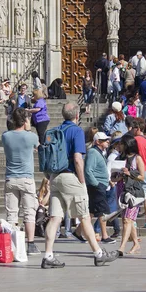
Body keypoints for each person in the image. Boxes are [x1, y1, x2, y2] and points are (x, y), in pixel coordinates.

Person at [40, 102, 119, 269]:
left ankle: (48, 255)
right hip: (70, 176)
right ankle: (98, 254)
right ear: (77, 116)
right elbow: (77, 158)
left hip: (55, 177)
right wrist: (82, 181)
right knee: (84, 217)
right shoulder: (76, 131)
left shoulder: (54, 131)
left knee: (54, 218)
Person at [1, 108, 41, 255]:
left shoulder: (5, 136)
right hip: (26, 178)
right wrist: (28, 128)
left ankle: (12, 244)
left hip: (11, 177)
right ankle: (30, 243)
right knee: (29, 212)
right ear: (25, 121)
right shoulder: (31, 136)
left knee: (12, 213)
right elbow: (37, 147)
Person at [114, 134, 144, 255]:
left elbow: (142, 177)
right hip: (121, 191)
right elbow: (114, 179)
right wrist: (117, 175)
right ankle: (136, 243)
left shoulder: (137, 158)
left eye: (121, 143)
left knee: (127, 219)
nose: (119, 146)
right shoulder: (119, 158)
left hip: (133, 192)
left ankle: (121, 247)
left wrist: (129, 173)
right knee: (126, 220)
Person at [85, 132, 115, 244]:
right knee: (103, 211)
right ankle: (104, 235)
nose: (107, 141)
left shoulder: (99, 152)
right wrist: (96, 184)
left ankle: (79, 232)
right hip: (97, 186)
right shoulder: (93, 152)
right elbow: (88, 170)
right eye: (104, 140)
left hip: (99, 185)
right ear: (98, 142)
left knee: (93, 211)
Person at [129, 118, 146, 229]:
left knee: (135, 194)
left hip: (137, 170)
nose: (131, 130)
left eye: (133, 128)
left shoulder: (134, 141)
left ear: (138, 128)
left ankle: (133, 219)